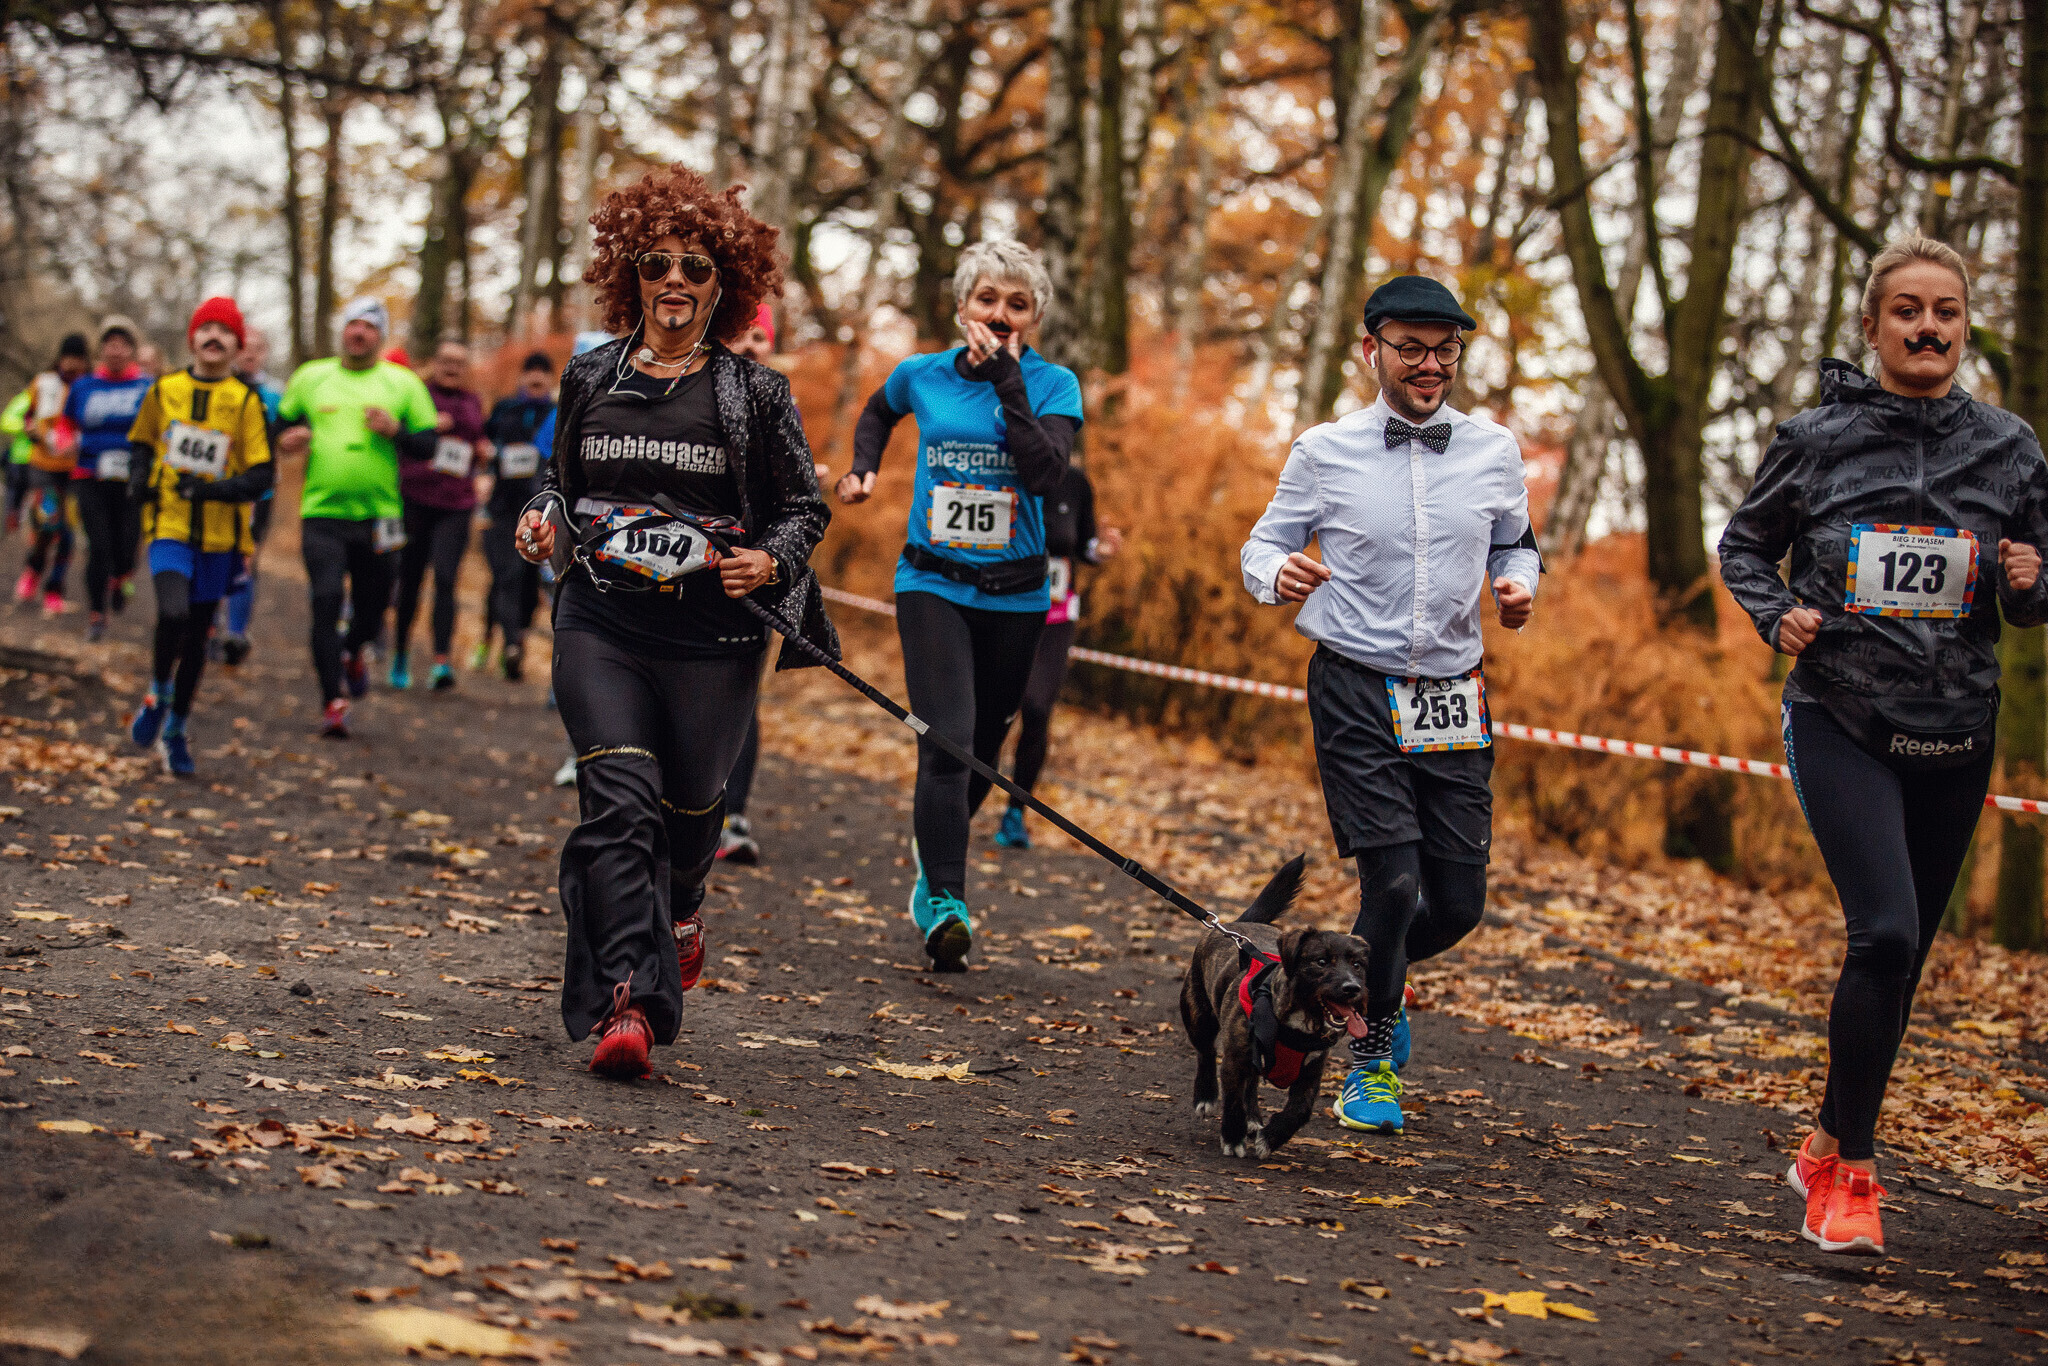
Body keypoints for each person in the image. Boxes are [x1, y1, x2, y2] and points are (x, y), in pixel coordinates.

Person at [1720, 237, 2048, 1257]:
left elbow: (2033, 594)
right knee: (1887, 934)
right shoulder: (1815, 437)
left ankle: (1822, 1138)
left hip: (1956, 729)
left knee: (1900, 960)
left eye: (1944, 311)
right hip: (1840, 718)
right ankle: (1851, 1178)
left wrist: (2028, 580)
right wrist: (1776, 614)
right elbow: (1742, 543)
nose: (1926, 327)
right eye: (1905, 309)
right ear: (1871, 328)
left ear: (1962, 326)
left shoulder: (2008, 446)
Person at [513, 166, 834, 1080]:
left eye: (695, 265)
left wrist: (770, 560)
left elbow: (803, 508)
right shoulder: (588, 375)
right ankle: (630, 1004)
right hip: (600, 621)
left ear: (722, 282)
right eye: (657, 264)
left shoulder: (753, 393)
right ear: (633, 276)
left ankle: (684, 905)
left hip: (713, 639)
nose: (676, 281)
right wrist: (539, 523)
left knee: (691, 816)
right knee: (617, 808)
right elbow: (557, 485)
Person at [1241, 275, 1539, 1136]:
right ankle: (1365, 1064)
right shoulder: (1324, 451)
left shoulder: (1492, 449)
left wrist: (1515, 585)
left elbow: (1516, 539)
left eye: (1445, 349)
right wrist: (1279, 574)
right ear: (1370, 349)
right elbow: (1266, 543)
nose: (1429, 364)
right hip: (1356, 687)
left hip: (1455, 693)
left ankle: (1379, 980)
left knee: (1458, 903)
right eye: (1410, 347)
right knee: (1395, 881)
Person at [838, 239, 1084, 971]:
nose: (1001, 314)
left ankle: (932, 843)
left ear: (1033, 315)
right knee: (945, 739)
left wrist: (1009, 382)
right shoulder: (922, 374)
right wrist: (863, 467)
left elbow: (1045, 474)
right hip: (933, 584)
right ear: (962, 307)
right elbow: (878, 413)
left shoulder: (1053, 384)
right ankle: (945, 899)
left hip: (1016, 596)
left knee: (984, 747)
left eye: (1017, 303)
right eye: (988, 300)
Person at [276, 298, 441, 738]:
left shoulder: (402, 383)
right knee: (326, 600)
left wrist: (396, 431)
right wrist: (287, 438)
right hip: (322, 512)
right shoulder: (312, 378)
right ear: (341, 332)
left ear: (380, 337)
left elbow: (428, 446)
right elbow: (278, 424)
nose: (358, 333)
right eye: (352, 324)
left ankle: (354, 650)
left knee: (374, 606)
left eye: (368, 327)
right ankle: (333, 699)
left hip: (380, 516)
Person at [124, 298, 273, 776]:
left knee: (197, 635)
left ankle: (176, 729)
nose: (213, 337)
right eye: (205, 328)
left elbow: (261, 475)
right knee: (172, 612)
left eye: (224, 331)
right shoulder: (164, 389)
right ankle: (157, 693)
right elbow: (142, 442)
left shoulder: (247, 401)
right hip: (169, 526)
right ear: (192, 338)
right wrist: (138, 480)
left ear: (236, 344)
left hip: (221, 538)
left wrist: (212, 490)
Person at [990, 463, 1122, 849]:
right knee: (996, 707)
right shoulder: (1003, 466)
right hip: (1002, 608)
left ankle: (1016, 812)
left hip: (1055, 615)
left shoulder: (1076, 481)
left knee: (1036, 707)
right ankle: (962, 794)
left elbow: (1084, 546)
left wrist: (1103, 550)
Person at [717, 302, 788, 864]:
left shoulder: (778, 401)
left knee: (742, 697)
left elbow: (800, 504)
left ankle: (733, 816)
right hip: (684, 571)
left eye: (760, 336)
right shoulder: (691, 392)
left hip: (752, 576)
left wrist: (772, 556)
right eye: (739, 334)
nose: (750, 344)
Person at [389, 339, 486, 691]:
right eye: (446, 360)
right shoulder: (418, 394)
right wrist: (429, 428)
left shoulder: (474, 401)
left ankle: (441, 662)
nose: (452, 367)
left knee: (446, 578)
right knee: (410, 579)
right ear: (435, 362)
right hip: (416, 497)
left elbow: (480, 440)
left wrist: (482, 451)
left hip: (457, 503)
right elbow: (400, 436)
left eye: (459, 362)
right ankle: (400, 653)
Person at [63, 316, 155, 641]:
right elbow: (67, 424)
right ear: (101, 349)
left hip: (132, 477)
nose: (115, 350)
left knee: (126, 543)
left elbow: (159, 430)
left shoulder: (146, 387)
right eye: (109, 344)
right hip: (89, 475)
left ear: (131, 349)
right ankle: (97, 614)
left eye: (122, 344)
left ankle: (122, 576)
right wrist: (63, 441)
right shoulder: (84, 386)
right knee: (98, 545)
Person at [476, 351, 556, 681]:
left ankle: (516, 637)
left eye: (542, 372)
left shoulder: (558, 414)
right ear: (522, 377)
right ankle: (503, 641)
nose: (536, 378)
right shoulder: (504, 409)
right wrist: (482, 467)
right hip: (502, 507)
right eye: (530, 372)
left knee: (528, 582)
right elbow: (482, 443)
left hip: (542, 510)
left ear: (551, 379)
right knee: (505, 575)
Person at [217, 328, 284, 666]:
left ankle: (236, 632)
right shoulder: (219, 387)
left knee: (245, 556)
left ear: (266, 353)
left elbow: (293, 429)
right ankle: (210, 627)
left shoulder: (275, 395)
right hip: (216, 485)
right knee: (212, 552)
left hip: (259, 491)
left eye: (258, 348)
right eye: (245, 347)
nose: (250, 354)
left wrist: (293, 438)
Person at [15, 334, 89, 612]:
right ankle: (33, 571)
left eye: (78, 360)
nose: (72, 365)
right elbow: (26, 416)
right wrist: (34, 433)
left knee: (67, 535)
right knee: (48, 523)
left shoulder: (87, 387)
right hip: (44, 469)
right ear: (59, 358)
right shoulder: (43, 382)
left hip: (75, 472)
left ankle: (53, 589)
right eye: (68, 358)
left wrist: (77, 443)